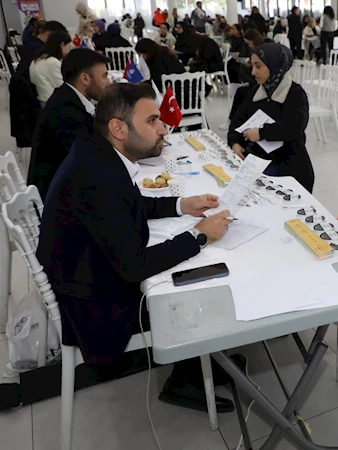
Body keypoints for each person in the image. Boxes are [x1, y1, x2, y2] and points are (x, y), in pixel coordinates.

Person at [36, 82, 235, 410]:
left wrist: (180, 205)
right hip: (95, 309)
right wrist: (199, 235)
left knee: (192, 270)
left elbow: (127, 203)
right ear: (118, 128)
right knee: (200, 284)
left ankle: (207, 361)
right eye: (153, 121)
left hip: (85, 279)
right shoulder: (97, 176)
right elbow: (134, 265)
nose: (163, 129)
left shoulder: (96, 153)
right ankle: (187, 378)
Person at [228, 43, 314, 191]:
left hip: (287, 165)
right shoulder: (254, 92)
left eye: (258, 66)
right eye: (252, 66)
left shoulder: (295, 93)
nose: (253, 72)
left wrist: (261, 133)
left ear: (274, 65)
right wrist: (235, 143)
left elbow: (294, 128)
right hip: (255, 162)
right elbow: (237, 122)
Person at [27, 49, 111, 197]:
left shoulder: (66, 97)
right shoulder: (65, 112)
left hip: (65, 184)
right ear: (85, 78)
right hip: (58, 197)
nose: (108, 82)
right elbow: (90, 162)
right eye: (104, 76)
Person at [29, 31, 72, 107]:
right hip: (52, 103)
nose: (68, 51)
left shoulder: (38, 59)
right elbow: (62, 86)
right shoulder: (52, 62)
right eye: (68, 47)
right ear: (62, 45)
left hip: (41, 100)